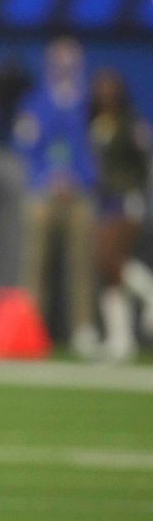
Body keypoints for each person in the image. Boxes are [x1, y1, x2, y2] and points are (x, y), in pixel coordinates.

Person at [12, 36, 97, 355]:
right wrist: (49, 175)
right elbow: (26, 143)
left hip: (80, 191)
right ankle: (29, 330)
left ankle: (83, 329)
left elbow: (94, 148)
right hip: (42, 191)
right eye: (59, 61)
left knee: (82, 264)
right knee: (35, 264)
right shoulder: (35, 101)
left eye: (70, 61)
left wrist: (78, 176)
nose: (64, 67)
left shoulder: (90, 102)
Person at [88, 67, 152, 361]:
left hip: (125, 198)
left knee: (111, 257)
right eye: (100, 90)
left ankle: (149, 292)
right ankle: (121, 338)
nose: (105, 95)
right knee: (106, 264)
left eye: (110, 89)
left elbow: (142, 162)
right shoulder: (95, 122)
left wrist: (134, 192)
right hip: (104, 199)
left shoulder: (131, 123)